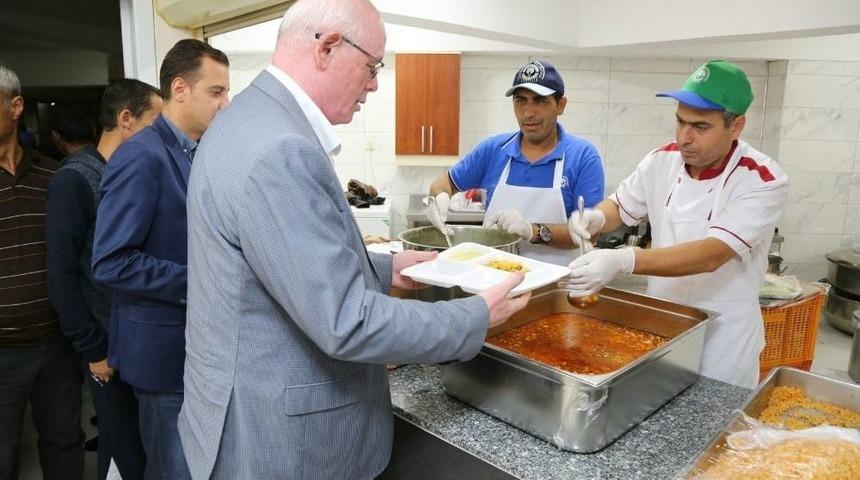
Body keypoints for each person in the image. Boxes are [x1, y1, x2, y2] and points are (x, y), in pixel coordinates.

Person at [177, 1, 530, 478]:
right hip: (281, 437)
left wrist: (390, 269)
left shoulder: (248, 119)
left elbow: (277, 267)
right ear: (327, 48)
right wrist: (472, 316)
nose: (374, 83)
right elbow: (345, 321)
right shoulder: (281, 149)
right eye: (372, 66)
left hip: (235, 406)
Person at [566, 60, 789, 388]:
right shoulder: (661, 161)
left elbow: (711, 254)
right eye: (680, 121)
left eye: (700, 127)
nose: (684, 137)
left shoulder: (762, 179)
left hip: (723, 343)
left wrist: (624, 260)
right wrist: (597, 216)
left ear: (736, 126)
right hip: (663, 329)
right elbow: (620, 205)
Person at [91, 40, 229, 480]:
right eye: (216, 92)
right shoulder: (142, 155)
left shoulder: (197, 151)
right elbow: (111, 261)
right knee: (173, 471)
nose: (225, 104)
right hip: (162, 355)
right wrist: (202, 281)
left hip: (197, 350)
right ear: (180, 89)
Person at [46, 78, 163, 480]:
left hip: (137, 339)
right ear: (126, 119)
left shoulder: (135, 173)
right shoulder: (74, 180)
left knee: (144, 447)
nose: (162, 130)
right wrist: (93, 349)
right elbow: (62, 274)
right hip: (105, 345)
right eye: (156, 119)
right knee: (122, 451)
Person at [428, 59, 604, 265]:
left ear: (561, 105)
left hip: (557, 287)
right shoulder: (493, 150)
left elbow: (590, 235)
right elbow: (444, 183)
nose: (528, 113)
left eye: (540, 101)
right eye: (521, 100)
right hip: (493, 282)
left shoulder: (583, 157)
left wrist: (534, 231)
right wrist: (439, 198)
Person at [0, 64, 84, 480]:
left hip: (56, 345)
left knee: (65, 443)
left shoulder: (55, 177)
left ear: (16, 107)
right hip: (1, 350)